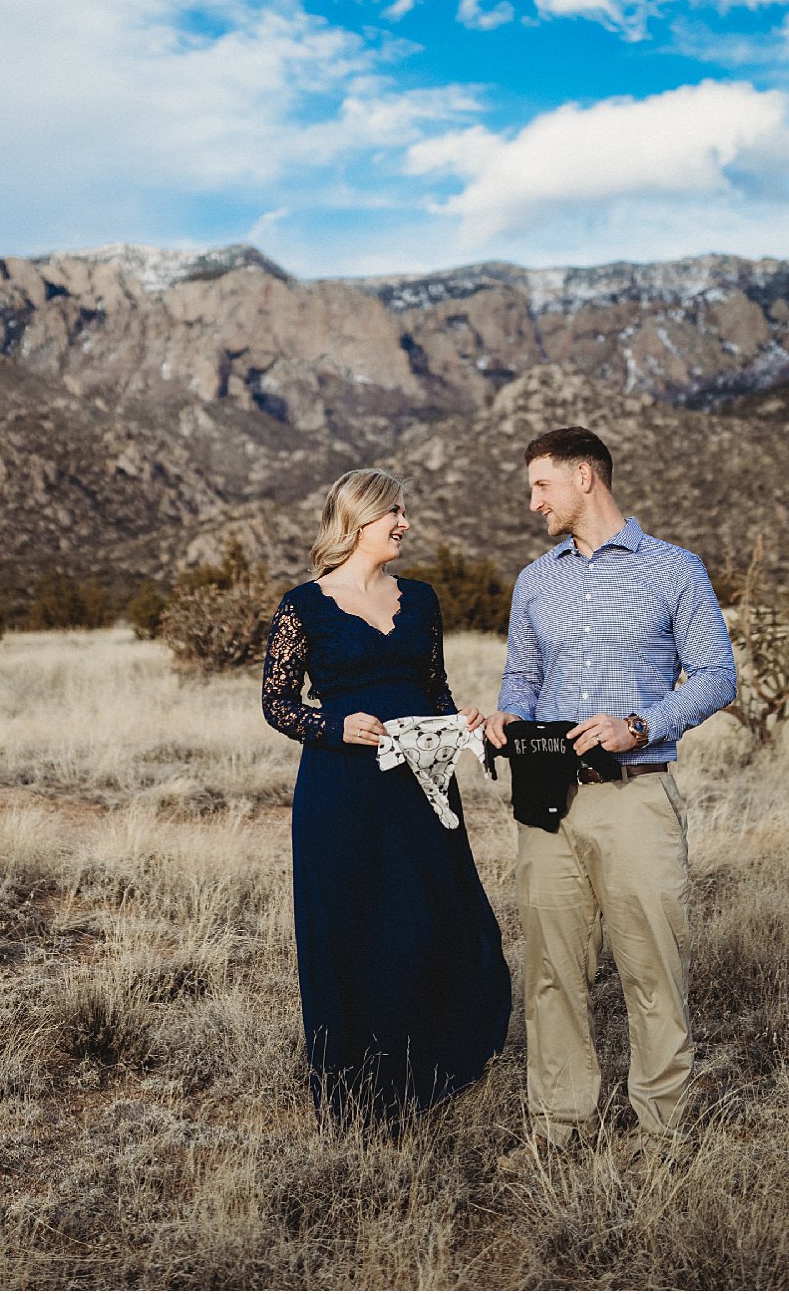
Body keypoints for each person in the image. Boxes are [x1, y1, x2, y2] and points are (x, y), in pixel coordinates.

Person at [485, 427, 737, 1157]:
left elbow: (717, 674)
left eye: (542, 485)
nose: (533, 502)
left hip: (637, 796)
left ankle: (662, 1131)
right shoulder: (536, 580)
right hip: (547, 802)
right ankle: (558, 1125)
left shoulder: (674, 570)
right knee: (552, 972)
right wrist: (508, 714)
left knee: (653, 966)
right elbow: (522, 679)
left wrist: (641, 723)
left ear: (585, 478)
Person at [261, 468, 511, 1119]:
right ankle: (361, 1095)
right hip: (340, 791)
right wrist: (334, 725)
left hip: (423, 786)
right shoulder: (304, 605)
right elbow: (277, 703)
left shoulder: (422, 600)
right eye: (392, 511)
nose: (405, 522)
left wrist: (464, 726)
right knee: (355, 927)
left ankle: (435, 1071)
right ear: (355, 521)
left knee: (436, 917)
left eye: (404, 510)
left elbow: (436, 690)